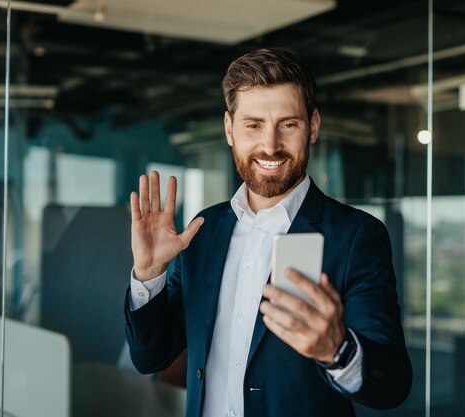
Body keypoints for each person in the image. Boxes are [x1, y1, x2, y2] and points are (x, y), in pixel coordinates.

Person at [124, 48, 412, 417]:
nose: (271, 145)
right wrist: (149, 276)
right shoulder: (203, 231)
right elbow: (152, 357)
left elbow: (393, 385)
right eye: (253, 125)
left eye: (288, 124)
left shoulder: (356, 236)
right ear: (229, 129)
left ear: (313, 126)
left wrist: (336, 349)